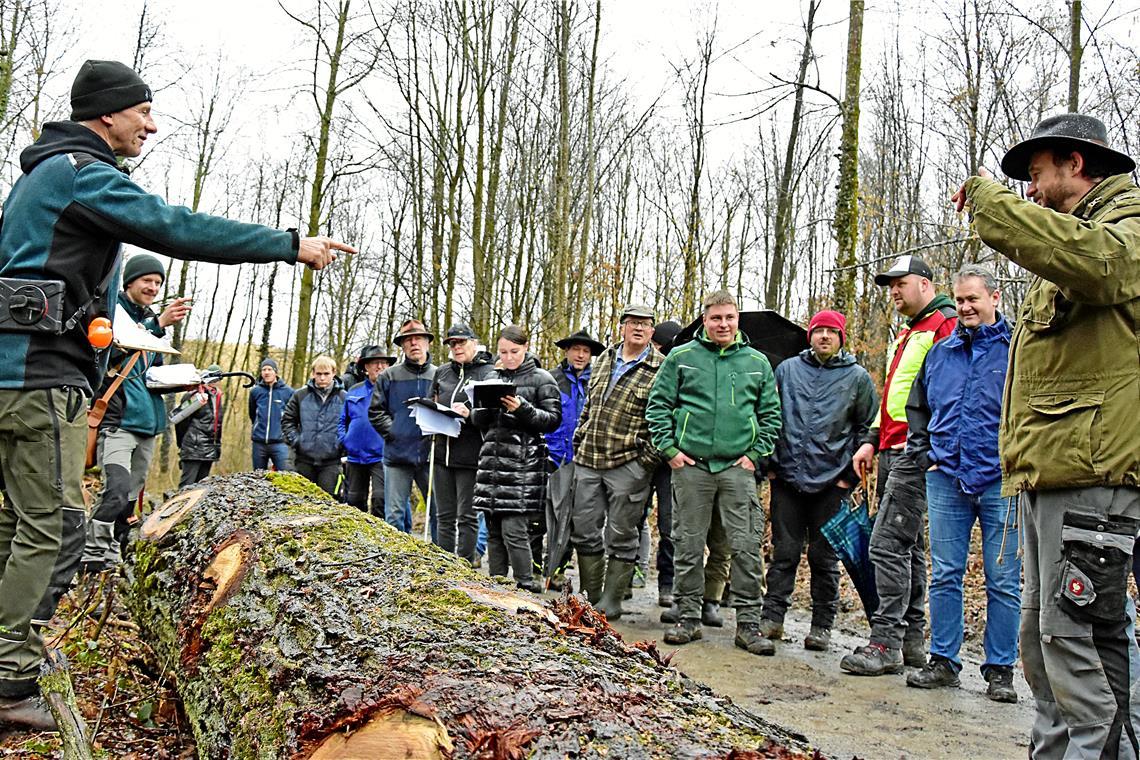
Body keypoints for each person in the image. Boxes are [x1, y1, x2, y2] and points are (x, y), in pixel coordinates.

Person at [0, 58, 349, 731]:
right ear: (107, 113)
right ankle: (10, 680)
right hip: (40, 381)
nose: (151, 125)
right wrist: (287, 244)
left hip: (15, 376)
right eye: (142, 112)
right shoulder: (82, 174)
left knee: (14, 524)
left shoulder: (35, 181)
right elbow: (174, 226)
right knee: (48, 529)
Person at [952, 113, 1140, 755]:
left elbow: (1102, 267)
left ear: (1075, 163)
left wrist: (993, 206)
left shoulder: (1127, 229)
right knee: (1044, 644)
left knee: (1083, 649)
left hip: (1095, 476)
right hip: (1048, 475)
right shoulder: (1075, 238)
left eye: (1033, 175)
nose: (1028, 190)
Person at [900, 265, 1020, 702]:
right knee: (945, 574)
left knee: (1003, 579)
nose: (966, 307)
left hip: (1002, 481)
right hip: (946, 478)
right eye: (961, 300)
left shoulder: (1017, 352)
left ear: (995, 297)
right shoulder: (941, 352)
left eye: (974, 299)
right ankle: (944, 661)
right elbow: (918, 407)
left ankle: (1001, 670)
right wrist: (927, 454)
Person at [646, 290, 781, 655]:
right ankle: (688, 618)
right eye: (716, 318)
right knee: (688, 544)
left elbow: (771, 415)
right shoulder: (682, 357)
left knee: (745, 546)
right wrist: (671, 451)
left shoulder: (757, 362)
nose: (723, 324)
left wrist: (755, 454)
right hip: (692, 467)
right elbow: (658, 406)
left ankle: (749, 625)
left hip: (738, 468)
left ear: (738, 320)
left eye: (729, 318)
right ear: (704, 320)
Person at [842, 255, 957, 676]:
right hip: (892, 448)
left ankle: (885, 641)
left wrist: (929, 447)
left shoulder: (943, 325)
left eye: (900, 283)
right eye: (889, 285)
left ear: (925, 284)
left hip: (916, 450)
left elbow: (946, 392)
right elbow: (894, 394)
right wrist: (871, 440)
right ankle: (911, 640)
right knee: (909, 546)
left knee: (886, 543)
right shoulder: (909, 332)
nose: (893, 292)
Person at [758, 310, 877, 653]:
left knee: (825, 559)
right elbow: (769, 415)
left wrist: (848, 478)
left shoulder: (857, 378)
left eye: (831, 331)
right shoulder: (787, 370)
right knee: (785, 553)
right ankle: (772, 618)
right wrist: (769, 465)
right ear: (809, 335)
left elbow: (867, 428)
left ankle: (822, 625)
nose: (824, 336)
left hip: (832, 482)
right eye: (818, 330)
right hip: (787, 478)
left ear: (841, 338)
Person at [81, 253, 191, 573]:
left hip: (148, 423)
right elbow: (106, 353)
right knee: (115, 488)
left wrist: (181, 381)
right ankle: (92, 551)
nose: (153, 287)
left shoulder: (149, 321)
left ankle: (114, 551)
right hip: (118, 422)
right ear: (129, 281)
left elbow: (149, 374)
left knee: (129, 497)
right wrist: (158, 325)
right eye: (147, 281)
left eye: (158, 283)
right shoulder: (112, 312)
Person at [570, 305, 664, 619]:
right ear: (622, 326)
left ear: (652, 331)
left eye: (645, 324)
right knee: (583, 529)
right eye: (633, 323)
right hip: (588, 459)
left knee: (622, 534)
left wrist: (645, 461)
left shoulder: (662, 368)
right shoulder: (603, 360)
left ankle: (611, 603)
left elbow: (667, 420)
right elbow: (588, 406)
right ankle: (591, 597)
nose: (638, 328)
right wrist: (578, 438)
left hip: (629, 463)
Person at [472, 325, 561, 592]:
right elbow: (477, 420)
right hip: (492, 464)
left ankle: (525, 585)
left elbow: (552, 421)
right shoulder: (490, 376)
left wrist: (523, 409)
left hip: (524, 466)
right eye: (503, 352)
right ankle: (495, 584)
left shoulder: (542, 379)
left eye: (514, 351)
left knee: (515, 531)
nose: (508, 357)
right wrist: (484, 407)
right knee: (495, 532)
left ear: (525, 348)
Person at [544, 328, 605, 585]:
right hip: (554, 455)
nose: (581, 355)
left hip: (585, 457)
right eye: (576, 349)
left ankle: (560, 570)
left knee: (577, 517)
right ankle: (543, 567)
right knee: (548, 515)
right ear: (566, 351)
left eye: (586, 351)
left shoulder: (598, 380)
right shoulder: (551, 379)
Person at [431, 323, 495, 561]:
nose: (457, 348)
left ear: (474, 343)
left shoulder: (488, 372)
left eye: (461, 342)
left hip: (470, 454)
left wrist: (469, 414)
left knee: (466, 516)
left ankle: (464, 565)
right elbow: (432, 399)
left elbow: (490, 414)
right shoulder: (442, 372)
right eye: (452, 344)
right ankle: (443, 564)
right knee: (443, 515)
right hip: (441, 453)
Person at [369, 318, 437, 534]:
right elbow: (376, 411)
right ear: (402, 346)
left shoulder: (440, 374)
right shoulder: (389, 375)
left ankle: (441, 560)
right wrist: (395, 432)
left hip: (430, 454)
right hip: (396, 455)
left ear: (428, 342)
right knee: (394, 515)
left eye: (418, 339)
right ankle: (397, 563)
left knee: (437, 511)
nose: (414, 344)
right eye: (408, 340)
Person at [643, 319, 682, 606]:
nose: (656, 350)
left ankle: (667, 583)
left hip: (672, 460)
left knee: (671, 526)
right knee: (631, 519)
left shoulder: (685, 370)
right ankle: (629, 575)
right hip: (642, 454)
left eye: (660, 346)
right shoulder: (642, 367)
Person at [338, 345, 394, 516]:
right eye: (375, 363)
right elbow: (342, 420)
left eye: (383, 363)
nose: (379, 367)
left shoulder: (393, 390)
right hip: (355, 457)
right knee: (354, 502)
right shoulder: (354, 390)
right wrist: (345, 439)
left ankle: (381, 540)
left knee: (380, 500)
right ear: (365, 367)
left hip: (382, 455)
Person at [282, 355, 346, 496]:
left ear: (334, 373)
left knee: (328, 503)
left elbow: (352, 425)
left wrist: (341, 444)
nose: (322, 378)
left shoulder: (344, 398)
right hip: (304, 460)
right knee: (301, 502)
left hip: (332, 462)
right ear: (313, 373)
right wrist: (297, 441)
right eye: (319, 374)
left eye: (326, 374)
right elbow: (288, 421)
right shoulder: (300, 395)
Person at [173, 363, 225, 488]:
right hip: (193, 448)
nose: (214, 382)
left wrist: (216, 447)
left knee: (201, 487)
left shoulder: (217, 397)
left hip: (210, 449)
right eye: (212, 378)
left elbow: (217, 425)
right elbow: (180, 421)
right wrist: (183, 445)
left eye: (217, 379)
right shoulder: (193, 396)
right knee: (187, 486)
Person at [249, 357, 294, 471]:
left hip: (280, 443)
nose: (267, 372)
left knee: (286, 476)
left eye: (269, 369)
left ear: (275, 372)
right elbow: (252, 414)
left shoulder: (288, 392)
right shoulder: (255, 391)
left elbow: (292, 417)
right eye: (264, 370)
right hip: (259, 443)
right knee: (258, 479)